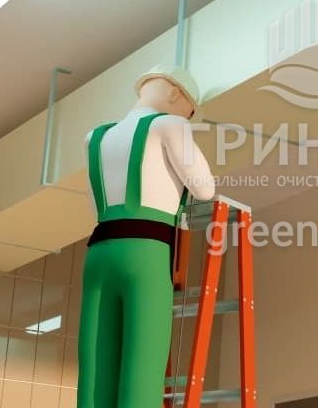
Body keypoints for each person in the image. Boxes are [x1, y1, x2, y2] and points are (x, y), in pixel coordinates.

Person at [78, 64, 215, 408]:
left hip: (99, 254)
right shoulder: (171, 125)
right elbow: (205, 188)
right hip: (146, 252)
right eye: (190, 111)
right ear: (174, 93)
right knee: (142, 364)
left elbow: (95, 201)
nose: (188, 119)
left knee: (95, 369)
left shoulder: (94, 138)